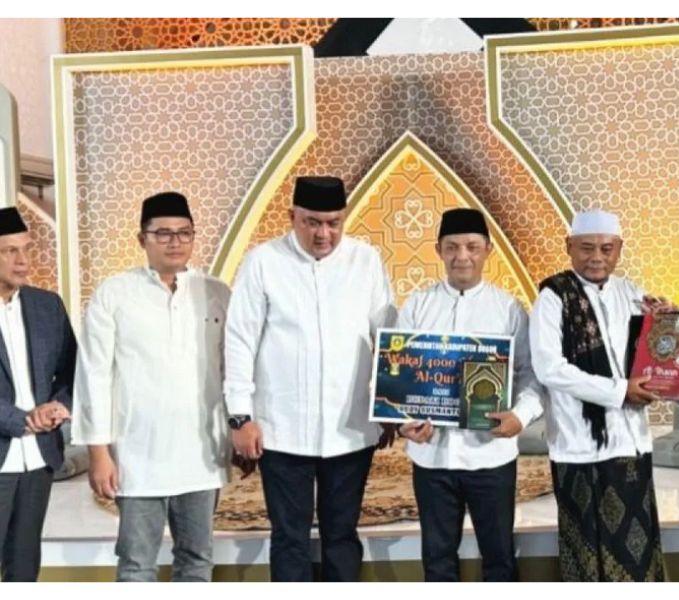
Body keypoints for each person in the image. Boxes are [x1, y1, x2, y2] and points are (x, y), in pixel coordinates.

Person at [225, 176, 396, 581]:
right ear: (292, 217)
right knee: (289, 538)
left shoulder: (365, 259)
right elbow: (239, 340)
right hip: (281, 431)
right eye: (312, 222)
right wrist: (240, 417)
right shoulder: (262, 261)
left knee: (343, 535)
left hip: (350, 429)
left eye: (334, 223)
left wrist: (391, 405)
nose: (324, 234)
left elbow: (388, 336)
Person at [73, 192, 230, 582]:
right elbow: (93, 374)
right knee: (136, 564)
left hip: (201, 453)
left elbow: (232, 369)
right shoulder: (114, 293)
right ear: (141, 239)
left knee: (197, 560)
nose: (175, 241)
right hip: (137, 455)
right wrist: (98, 452)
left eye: (184, 232)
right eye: (163, 233)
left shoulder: (216, 292)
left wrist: (236, 431)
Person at [396, 208, 544, 582]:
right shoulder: (417, 305)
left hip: (490, 456)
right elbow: (398, 376)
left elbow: (531, 375)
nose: (462, 256)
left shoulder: (509, 309)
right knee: (437, 560)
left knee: (499, 557)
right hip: (432, 457)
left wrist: (520, 416)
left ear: (487, 250)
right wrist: (404, 423)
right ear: (439, 250)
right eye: (452, 247)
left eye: (472, 247)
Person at [529, 209, 667, 582]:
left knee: (637, 557)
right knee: (587, 556)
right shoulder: (553, 296)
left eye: (607, 249)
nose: (596, 257)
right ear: (569, 246)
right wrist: (621, 392)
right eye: (586, 248)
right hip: (579, 446)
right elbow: (549, 368)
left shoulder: (632, 293)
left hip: (631, 444)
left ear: (619, 248)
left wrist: (668, 325)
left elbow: (654, 359)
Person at [0, 206, 76, 581]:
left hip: (39, 460)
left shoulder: (47, 305)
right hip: (4, 452)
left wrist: (58, 405)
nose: (23, 260)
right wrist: (23, 420)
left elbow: (72, 371)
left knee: (25, 569)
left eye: (27, 249)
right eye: (9, 251)